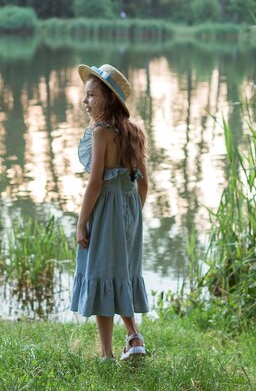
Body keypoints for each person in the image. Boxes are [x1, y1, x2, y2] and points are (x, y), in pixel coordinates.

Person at [70, 64, 150, 361]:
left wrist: (81, 224)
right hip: (129, 213)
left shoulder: (101, 133)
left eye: (91, 95)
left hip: (104, 211)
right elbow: (143, 185)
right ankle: (134, 337)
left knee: (103, 274)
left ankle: (106, 354)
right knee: (124, 275)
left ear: (108, 99)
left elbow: (94, 185)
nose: (85, 101)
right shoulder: (135, 132)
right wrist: (131, 218)